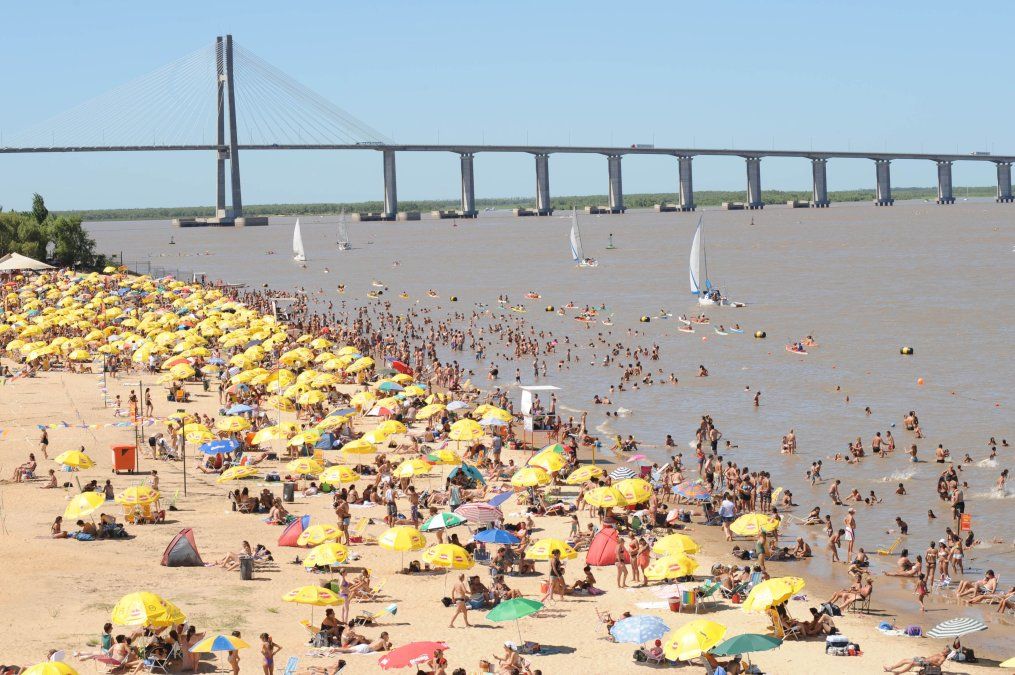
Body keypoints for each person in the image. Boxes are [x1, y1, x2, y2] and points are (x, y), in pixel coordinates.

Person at [882, 646, 949, 673]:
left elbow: (938, 664)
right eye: (944, 648)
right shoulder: (940, 653)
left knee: (912, 664)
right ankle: (890, 668)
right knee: (904, 660)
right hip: (924, 659)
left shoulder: (942, 658)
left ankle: (899, 673)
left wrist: (928, 661)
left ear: (947, 653)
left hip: (927, 663)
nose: (943, 650)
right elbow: (932, 657)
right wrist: (925, 658)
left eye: (945, 650)